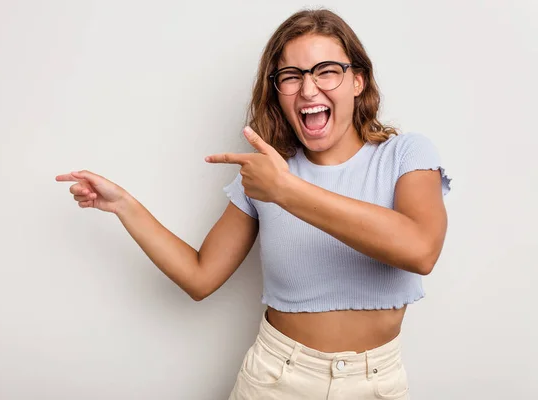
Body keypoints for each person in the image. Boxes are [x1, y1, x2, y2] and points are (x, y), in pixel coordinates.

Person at [56, 8, 451, 400]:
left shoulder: (405, 155)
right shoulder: (265, 176)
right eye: (291, 77)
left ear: (358, 81)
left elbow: (420, 250)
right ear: (277, 91)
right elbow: (199, 277)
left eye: (326, 70)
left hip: (377, 383)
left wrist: (287, 191)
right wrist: (125, 205)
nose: (308, 89)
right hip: (276, 379)